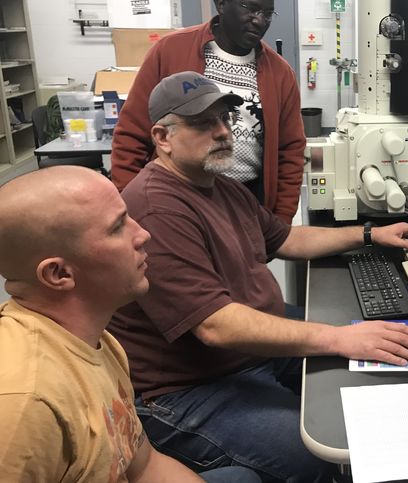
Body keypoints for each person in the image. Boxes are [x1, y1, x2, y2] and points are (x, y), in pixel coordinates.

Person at [108, 72, 408, 482]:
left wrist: (369, 234)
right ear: (162, 136)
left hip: (252, 354)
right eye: (204, 123)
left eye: (225, 118)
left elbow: (286, 239)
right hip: (192, 387)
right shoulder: (156, 207)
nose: (224, 131)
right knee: (322, 453)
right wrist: (337, 338)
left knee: (375, 370)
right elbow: (216, 326)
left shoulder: (218, 185)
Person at [0, 167, 259, 482]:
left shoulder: (98, 341)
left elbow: (145, 466)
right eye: (118, 227)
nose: (143, 234)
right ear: (59, 274)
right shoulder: (25, 405)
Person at [111, 0, 304, 224]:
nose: (260, 20)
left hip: (246, 200)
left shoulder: (279, 73)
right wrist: (129, 208)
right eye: (250, 8)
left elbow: (290, 150)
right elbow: (132, 133)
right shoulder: (171, 51)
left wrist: (280, 219)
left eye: (268, 13)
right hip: (176, 198)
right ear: (221, 4)